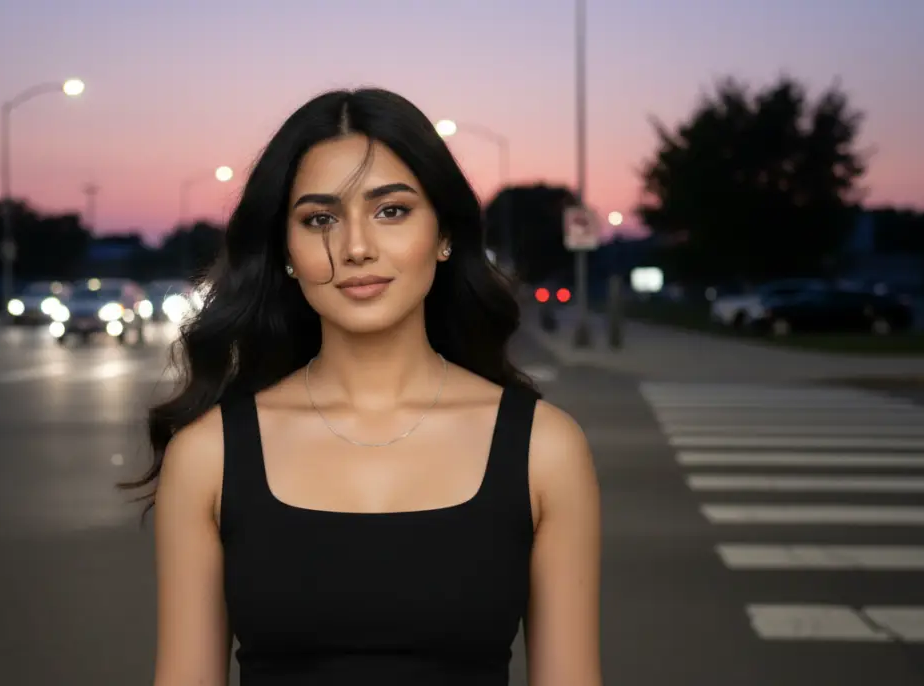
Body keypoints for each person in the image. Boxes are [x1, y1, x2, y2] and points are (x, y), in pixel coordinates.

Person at [124, 87, 602, 686]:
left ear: (445, 235)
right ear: (288, 252)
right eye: (320, 219)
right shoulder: (208, 456)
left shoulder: (545, 450)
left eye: (391, 211)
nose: (355, 247)